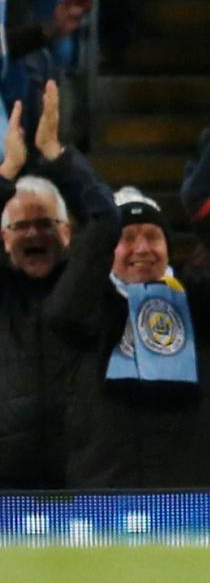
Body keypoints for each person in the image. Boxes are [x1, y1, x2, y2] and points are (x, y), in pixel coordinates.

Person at [49, 153, 210, 488]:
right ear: (108, 248)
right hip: (108, 484)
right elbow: (61, 315)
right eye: (126, 237)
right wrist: (101, 230)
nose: (142, 248)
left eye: (153, 236)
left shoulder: (197, 298)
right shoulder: (92, 301)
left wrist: (206, 215)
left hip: (193, 483)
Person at [0, 83, 113, 489]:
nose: (34, 234)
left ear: (66, 233)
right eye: (21, 226)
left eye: (45, 224)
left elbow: (106, 221)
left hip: (84, 476)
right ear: (4, 238)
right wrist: (7, 170)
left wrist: (56, 153)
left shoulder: (85, 283)